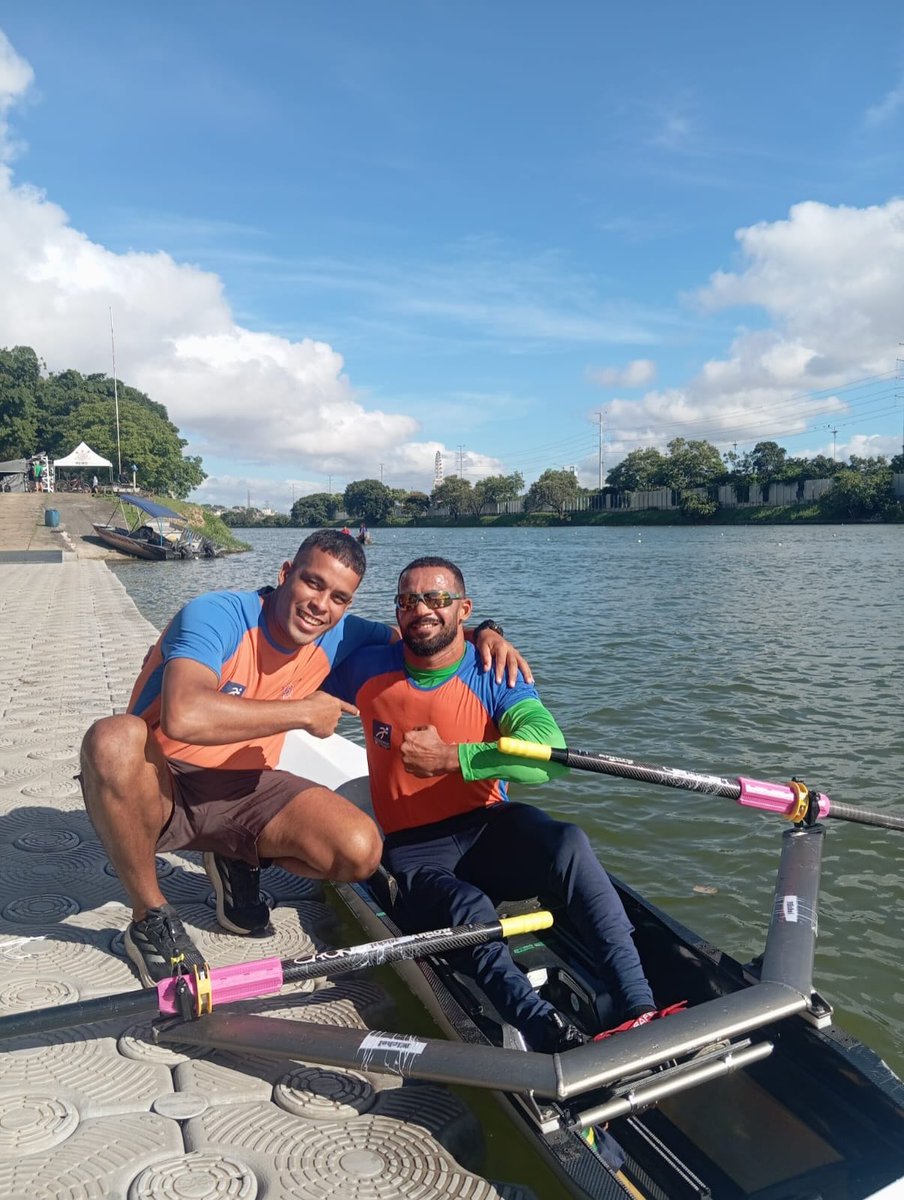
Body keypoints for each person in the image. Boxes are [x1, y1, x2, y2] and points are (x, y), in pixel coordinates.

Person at [79, 530, 521, 987]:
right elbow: (183, 715)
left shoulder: (341, 632)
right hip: (162, 783)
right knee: (113, 738)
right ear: (285, 573)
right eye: (312, 583)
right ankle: (149, 916)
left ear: (348, 606)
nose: (320, 605)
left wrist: (486, 632)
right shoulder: (217, 614)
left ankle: (235, 855)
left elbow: (423, 634)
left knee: (360, 850)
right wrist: (303, 712)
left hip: (245, 788)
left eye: (338, 597)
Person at [324, 556, 657, 1053]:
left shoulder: (493, 669)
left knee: (568, 842)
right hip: (414, 848)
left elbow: (549, 757)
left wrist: (455, 758)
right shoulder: (368, 666)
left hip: (488, 828)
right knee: (467, 906)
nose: (422, 610)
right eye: (408, 600)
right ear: (396, 612)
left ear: (464, 609)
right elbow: (293, 661)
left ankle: (640, 1008)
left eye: (437, 599)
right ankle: (547, 1032)